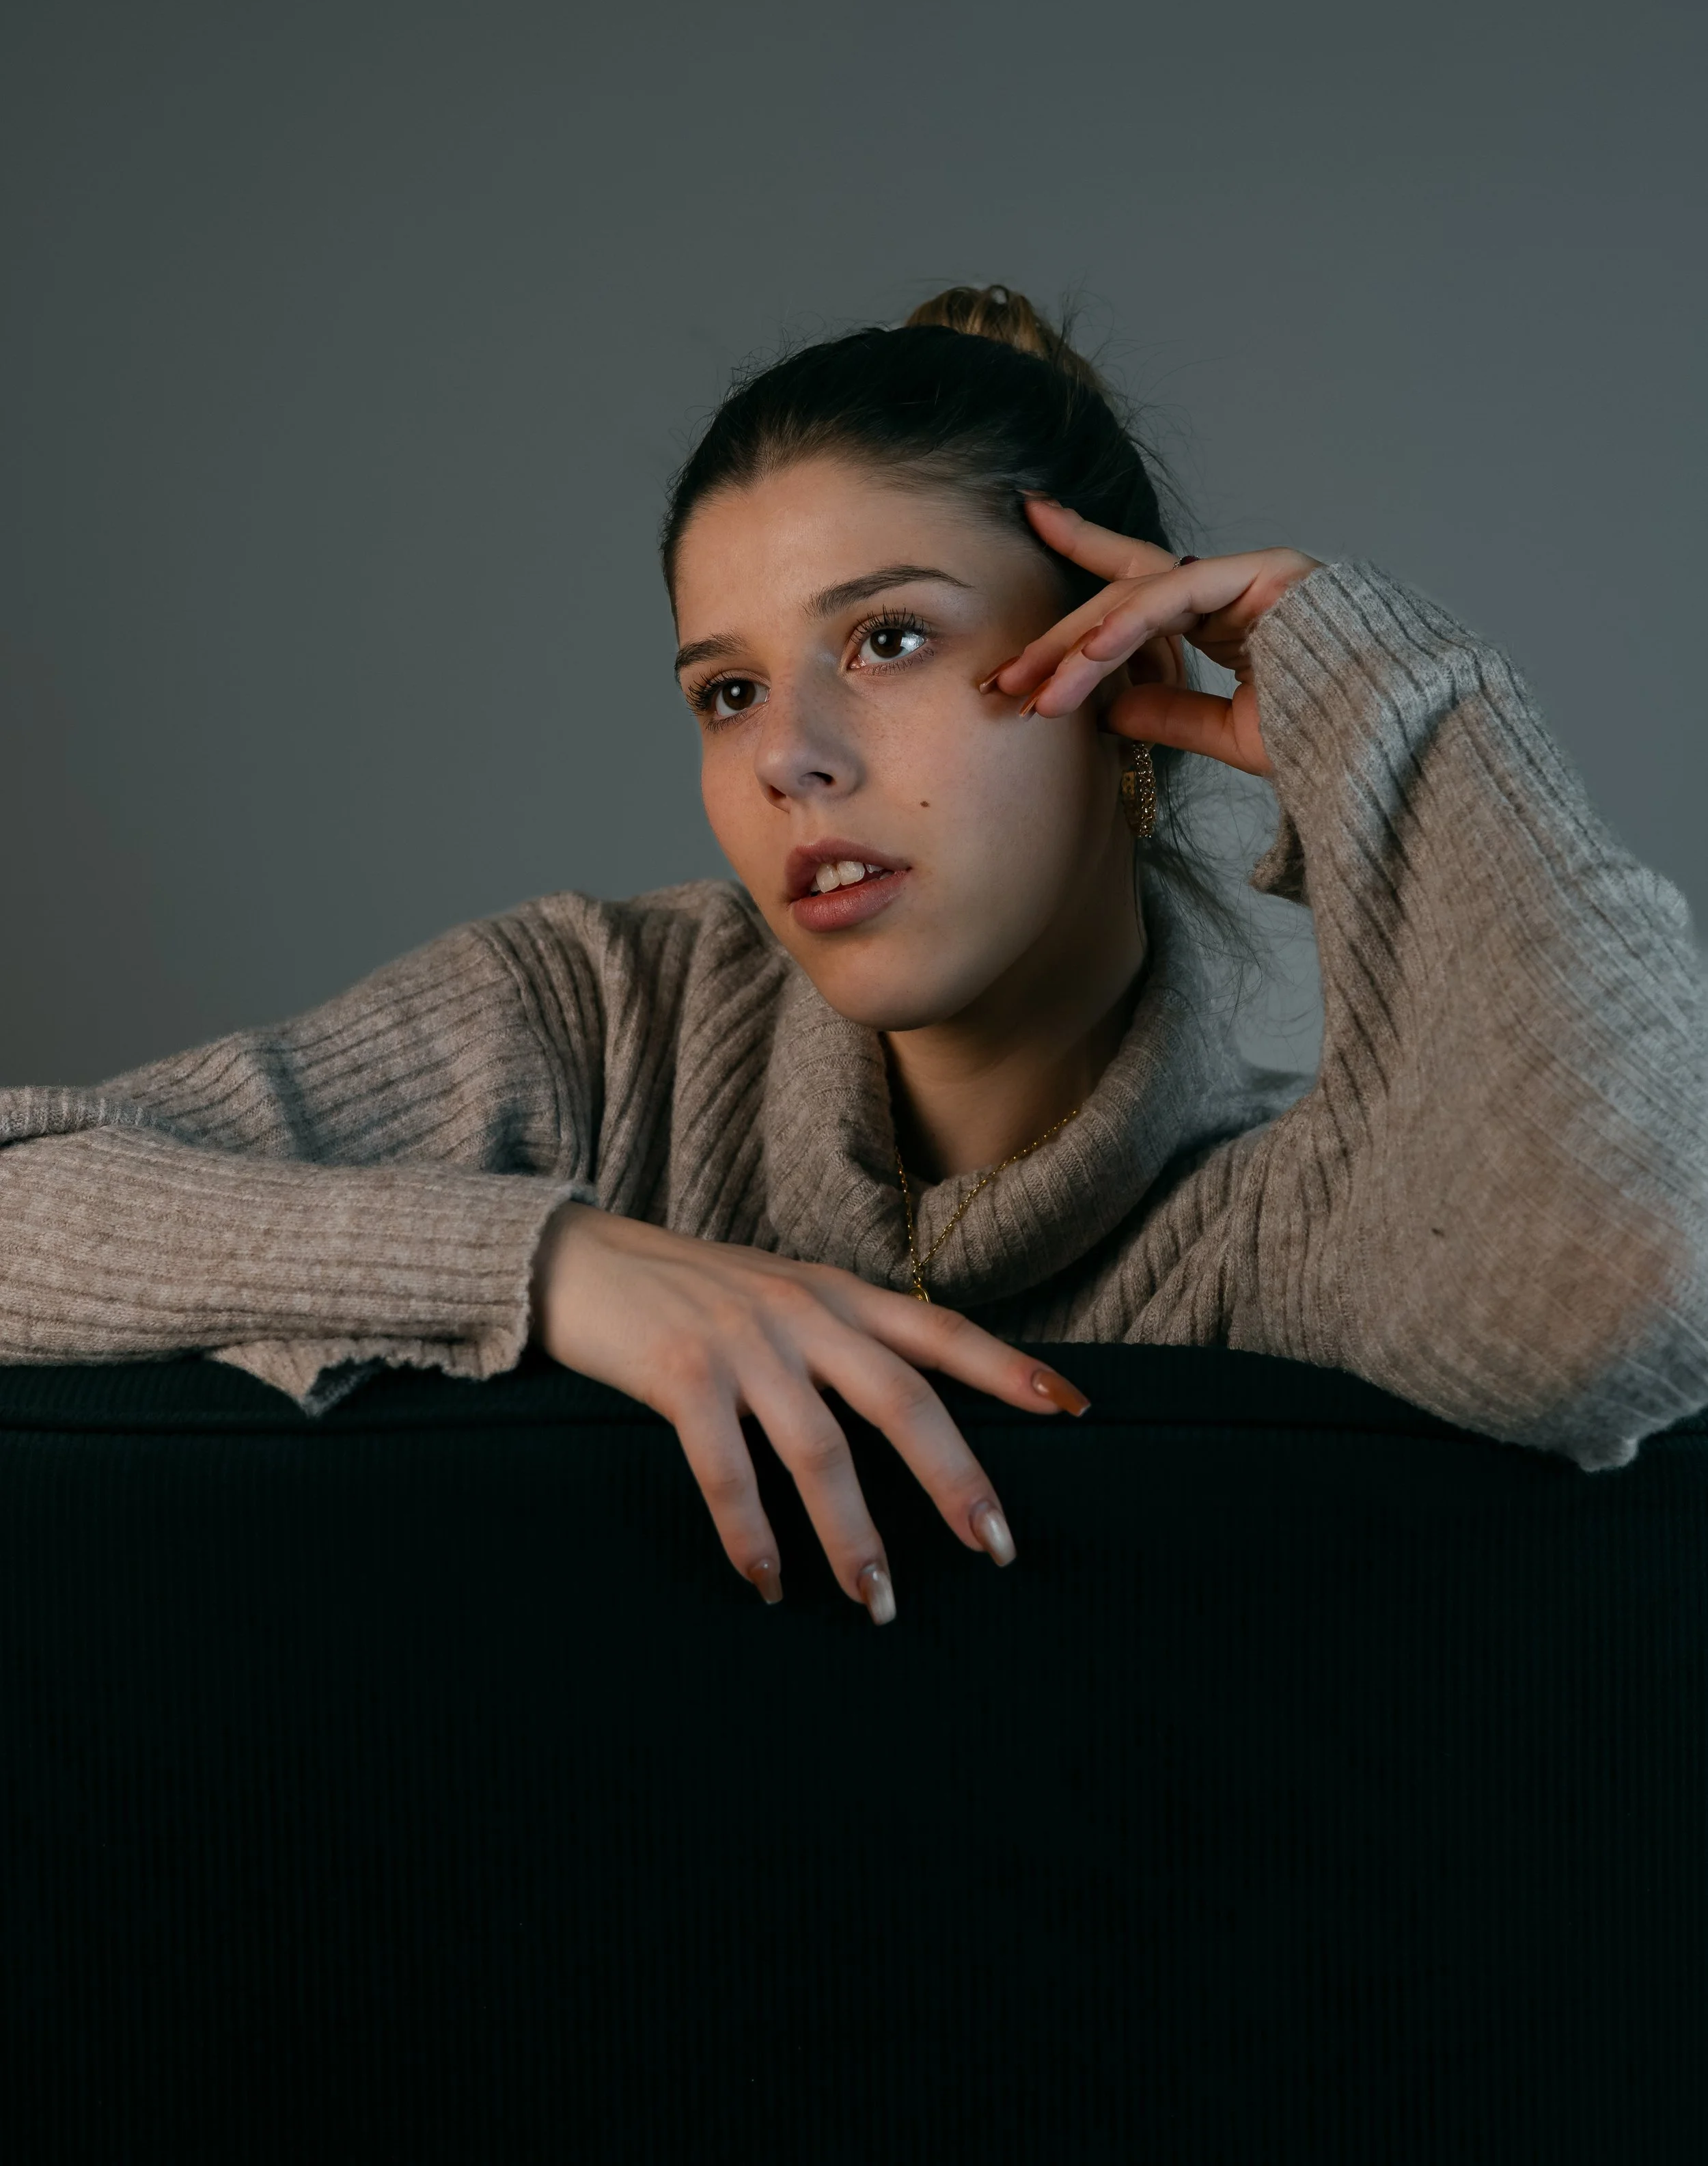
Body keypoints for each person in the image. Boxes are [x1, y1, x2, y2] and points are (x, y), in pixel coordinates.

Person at [2, 287, 1704, 1625]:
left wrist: (1394, 693)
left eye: (885, 640)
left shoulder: (1293, 1217)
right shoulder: (598, 1026)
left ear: (1119, 680)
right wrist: (558, 1266)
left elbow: (1622, 1291)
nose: (785, 758)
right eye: (726, 690)